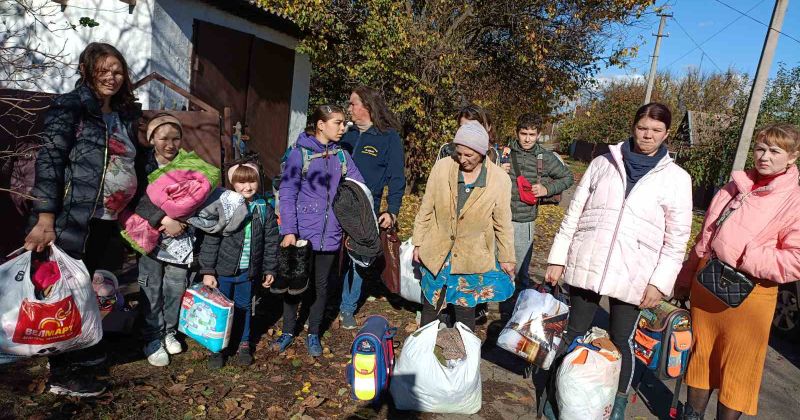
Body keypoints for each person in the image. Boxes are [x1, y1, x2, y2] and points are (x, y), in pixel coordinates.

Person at [544, 103, 693, 419]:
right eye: (643, 127)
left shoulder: (677, 179)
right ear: (634, 126)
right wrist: (558, 259)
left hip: (634, 271)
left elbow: (677, 239)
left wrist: (659, 282)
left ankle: (616, 405)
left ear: (666, 134)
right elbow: (574, 214)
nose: (647, 135)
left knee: (622, 341)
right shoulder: (602, 163)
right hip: (588, 259)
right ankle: (556, 395)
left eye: (655, 130)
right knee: (573, 331)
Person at [24, 42, 142, 396]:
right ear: (87, 70)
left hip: (107, 218)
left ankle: (82, 352)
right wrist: (45, 218)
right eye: (103, 70)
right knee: (64, 293)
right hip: (75, 217)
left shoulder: (122, 114)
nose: (112, 77)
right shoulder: (70, 106)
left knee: (90, 288)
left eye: (118, 71)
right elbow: (50, 161)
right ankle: (62, 374)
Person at [673, 123, 800, 420]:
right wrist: (685, 277)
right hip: (706, 287)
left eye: (774, 151)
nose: (764, 156)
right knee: (700, 360)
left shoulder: (794, 200)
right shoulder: (736, 185)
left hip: (750, 299)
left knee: (738, 371)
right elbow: (704, 237)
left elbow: (794, 260)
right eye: (760, 148)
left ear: (792, 157)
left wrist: (745, 254)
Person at [274, 105, 364, 356]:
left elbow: (358, 187)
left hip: (331, 235)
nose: (342, 127)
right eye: (337, 122)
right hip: (301, 234)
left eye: (344, 123)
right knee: (295, 285)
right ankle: (288, 331)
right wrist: (290, 230)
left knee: (321, 286)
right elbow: (288, 193)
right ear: (320, 125)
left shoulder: (342, 156)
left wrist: (352, 221)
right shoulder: (298, 155)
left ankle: (313, 333)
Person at [412, 121, 516, 331]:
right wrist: (418, 241)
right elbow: (427, 207)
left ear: (483, 151)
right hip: (438, 251)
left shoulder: (499, 180)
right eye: (459, 153)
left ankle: (461, 358)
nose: (463, 159)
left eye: (469, 155)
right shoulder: (443, 168)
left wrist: (507, 257)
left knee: (465, 312)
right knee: (430, 307)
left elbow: (503, 222)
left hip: (471, 255)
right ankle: (424, 356)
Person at [199, 162, 279, 368]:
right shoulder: (225, 207)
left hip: (248, 271)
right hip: (223, 271)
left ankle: (243, 343)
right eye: (241, 182)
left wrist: (269, 268)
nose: (247, 186)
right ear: (233, 183)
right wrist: (208, 270)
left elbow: (271, 242)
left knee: (244, 307)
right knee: (220, 309)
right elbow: (211, 239)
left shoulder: (264, 209)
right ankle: (218, 348)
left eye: (251, 181)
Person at [338, 86, 406, 329]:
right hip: (336, 206)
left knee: (358, 259)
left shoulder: (388, 138)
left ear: (367, 106)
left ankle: (347, 307)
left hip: (367, 209)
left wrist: (392, 210)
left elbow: (397, 178)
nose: (349, 108)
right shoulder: (346, 136)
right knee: (336, 257)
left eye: (353, 103)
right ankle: (328, 301)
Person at [131, 113, 192, 367]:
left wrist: (184, 219)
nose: (170, 144)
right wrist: (163, 219)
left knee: (176, 285)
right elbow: (135, 197)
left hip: (179, 237)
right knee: (151, 285)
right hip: (149, 236)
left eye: (176, 138)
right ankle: (151, 337)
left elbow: (198, 195)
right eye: (163, 138)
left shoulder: (189, 164)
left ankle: (169, 331)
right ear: (152, 138)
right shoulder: (141, 165)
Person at [501, 113, 573, 287]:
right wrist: (497, 170)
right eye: (523, 133)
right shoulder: (503, 154)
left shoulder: (545, 157)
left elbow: (567, 178)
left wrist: (546, 189)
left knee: (519, 273)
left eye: (532, 134)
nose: (527, 139)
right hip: (498, 219)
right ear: (517, 133)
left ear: (539, 135)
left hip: (524, 222)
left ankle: (516, 312)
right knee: (492, 270)